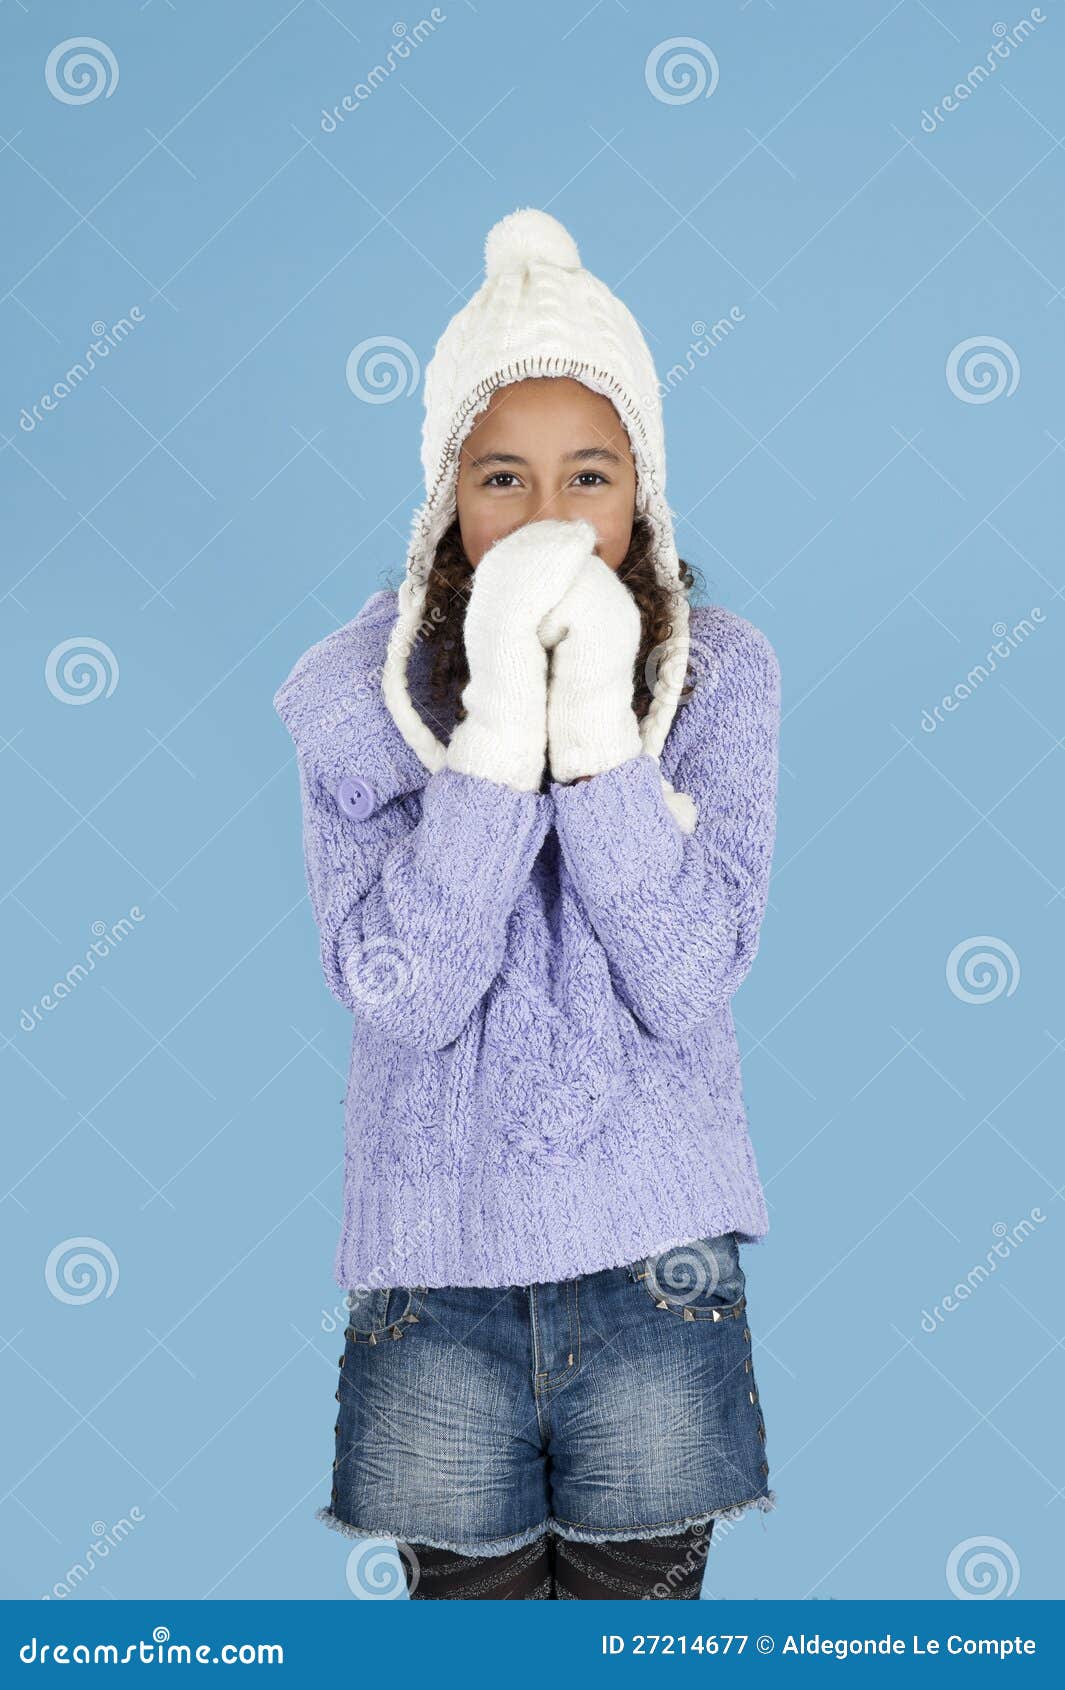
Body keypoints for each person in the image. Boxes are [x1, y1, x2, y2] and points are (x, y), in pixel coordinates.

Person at [274, 208, 781, 1600]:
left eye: (589, 476)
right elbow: (406, 991)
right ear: (446, 497)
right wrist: (498, 731)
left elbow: (687, 973)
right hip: (434, 1271)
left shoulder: (720, 679)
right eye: (503, 477)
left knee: (631, 1645)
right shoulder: (352, 700)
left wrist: (601, 739)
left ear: (643, 493)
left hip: (654, 1263)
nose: (549, 519)